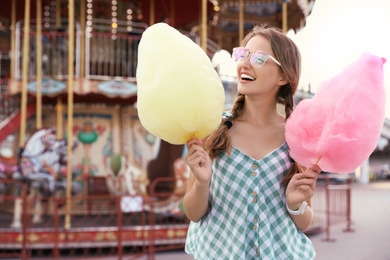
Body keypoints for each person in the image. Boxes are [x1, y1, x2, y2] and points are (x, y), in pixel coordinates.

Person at [183, 24, 321, 259]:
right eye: (242, 54)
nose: (244, 64)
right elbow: (193, 213)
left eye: (258, 58)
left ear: (283, 76)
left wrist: (294, 204)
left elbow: (304, 222)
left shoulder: (297, 139)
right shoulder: (213, 130)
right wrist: (202, 183)